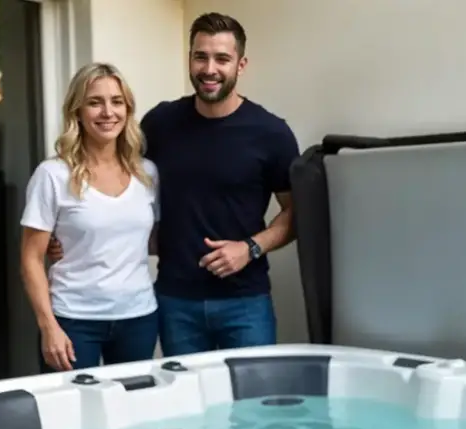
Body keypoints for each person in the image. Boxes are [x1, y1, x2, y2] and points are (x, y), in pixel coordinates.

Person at [48, 13, 300, 357]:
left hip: (245, 303)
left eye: (222, 59)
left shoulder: (271, 133)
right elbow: (114, 179)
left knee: (251, 393)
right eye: (201, 56)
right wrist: (68, 235)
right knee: (180, 393)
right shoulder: (160, 123)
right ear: (190, 59)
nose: (209, 68)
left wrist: (250, 248)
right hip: (174, 302)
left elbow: (295, 213)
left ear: (241, 65)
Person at [20, 62, 159, 372]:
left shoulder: (147, 173)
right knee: (70, 404)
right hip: (73, 320)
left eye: (117, 102)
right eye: (95, 102)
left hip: (138, 317)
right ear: (77, 112)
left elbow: (149, 241)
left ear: (128, 109)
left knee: (132, 403)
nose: (108, 112)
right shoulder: (52, 174)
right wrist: (48, 326)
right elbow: (30, 258)